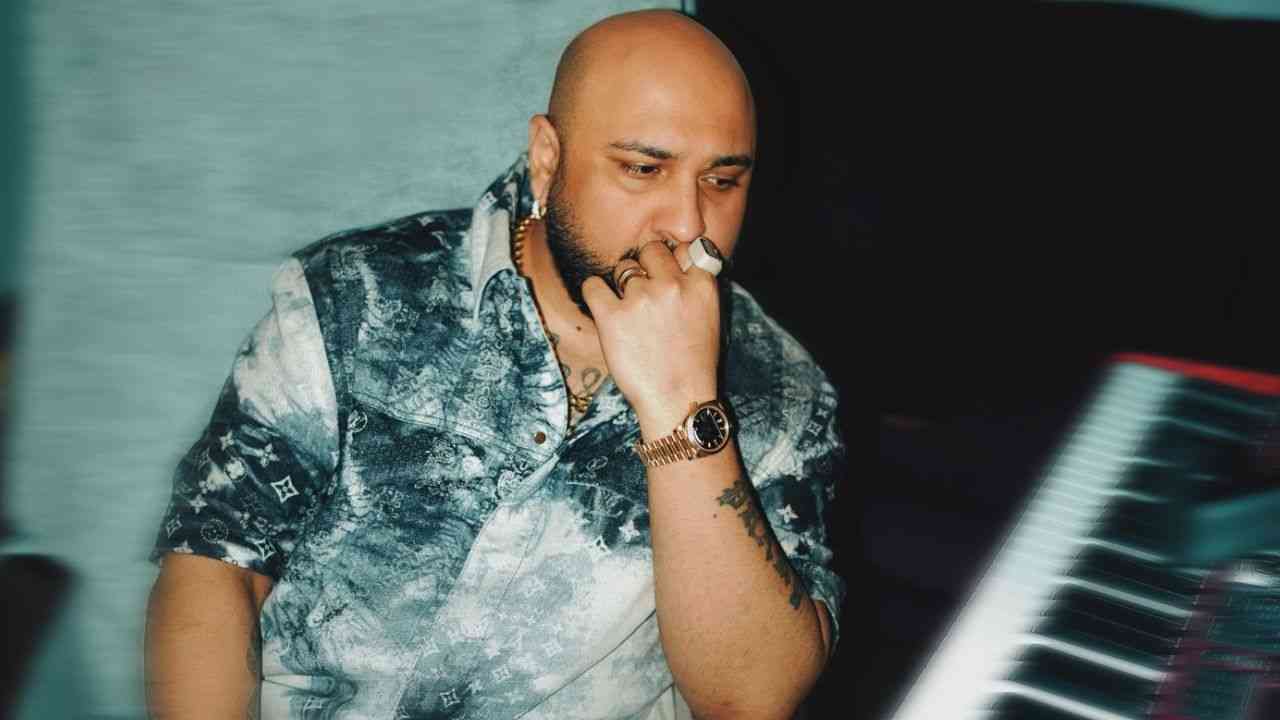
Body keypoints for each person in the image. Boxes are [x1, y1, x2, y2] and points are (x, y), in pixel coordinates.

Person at [144, 9, 846, 720]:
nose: (688, 224)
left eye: (722, 182)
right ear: (547, 157)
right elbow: (216, 564)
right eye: (643, 169)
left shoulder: (782, 389)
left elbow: (751, 698)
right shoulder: (358, 296)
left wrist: (681, 406)